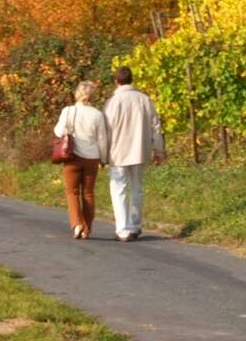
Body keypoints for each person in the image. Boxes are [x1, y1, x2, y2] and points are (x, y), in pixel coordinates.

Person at [102, 65, 165, 242]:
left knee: (118, 189)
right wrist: (159, 150)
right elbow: (156, 127)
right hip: (140, 149)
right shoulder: (144, 99)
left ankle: (122, 229)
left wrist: (102, 154)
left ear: (116, 81)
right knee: (137, 188)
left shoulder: (112, 102)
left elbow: (105, 130)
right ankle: (135, 225)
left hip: (118, 151)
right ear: (132, 80)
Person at [53, 81, 110, 240]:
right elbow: (102, 139)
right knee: (89, 193)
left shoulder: (68, 111)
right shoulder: (98, 115)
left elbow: (58, 132)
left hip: (72, 158)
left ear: (77, 93)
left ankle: (77, 224)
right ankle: (87, 229)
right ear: (93, 96)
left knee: (72, 192)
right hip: (92, 158)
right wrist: (104, 159)